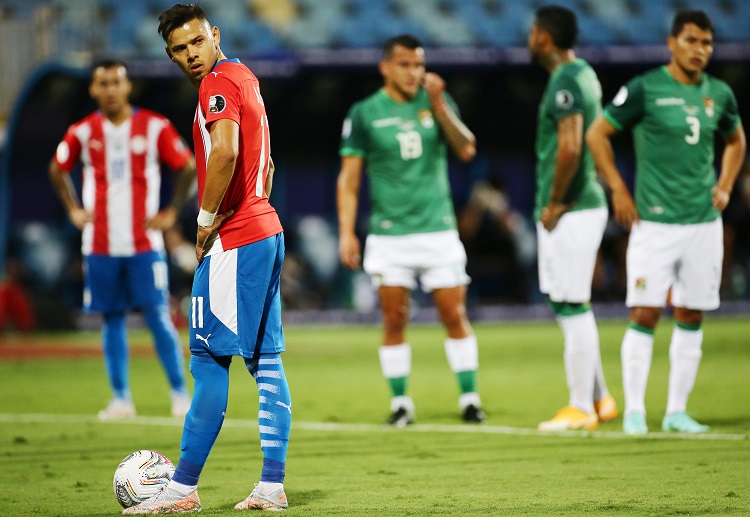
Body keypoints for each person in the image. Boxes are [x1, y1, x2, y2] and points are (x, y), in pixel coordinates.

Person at [124, 4, 291, 513]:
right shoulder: (245, 76)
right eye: (180, 49)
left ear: (214, 35)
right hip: (265, 228)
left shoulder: (216, 84)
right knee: (265, 362)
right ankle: (270, 485)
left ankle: (180, 490)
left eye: (197, 42)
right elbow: (268, 160)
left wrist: (204, 223)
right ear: (170, 54)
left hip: (235, 238)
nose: (191, 55)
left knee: (208, 360)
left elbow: (225, 152)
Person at [586, 10, 746, 435]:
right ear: (671, 43)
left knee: (692, 312)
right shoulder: (645, 88)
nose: (700, 50)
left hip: (703, 223)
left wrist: (726, 185)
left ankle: (676, 411)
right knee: (644, 311)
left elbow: (736, 140)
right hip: (654, 224)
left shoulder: (720, 94)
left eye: (707, 43)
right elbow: (597, 134)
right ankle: (636, 410)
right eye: (691, 40)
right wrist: (618, 189)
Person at [337, 34, 485, 426]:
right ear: (385, 67)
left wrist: (438, 102)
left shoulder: (435, 102)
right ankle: (401, 403)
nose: (413, 72)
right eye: (405, 64)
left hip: (438, 230)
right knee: (394, 318)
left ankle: (470, 398)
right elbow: (349, 180)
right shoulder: (365, 112)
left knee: (454, 314)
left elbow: (467, 148)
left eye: (419, 64)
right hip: (389, 235)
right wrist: (347, 231)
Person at [48, 59, 195, 420]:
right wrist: (72, 208)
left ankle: (179, 394)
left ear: (128, 86)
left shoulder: (154, 126)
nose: (110, 89)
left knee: (158, 315)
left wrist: (172, 211)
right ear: (93, 89)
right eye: (103, 83)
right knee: (111, 318)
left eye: (116, 81)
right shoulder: (83, 132)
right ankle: (121, 399)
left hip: (144, 244)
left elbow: (188, 165)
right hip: (99, 245)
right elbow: (57, 166)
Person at [527, 6, 618, 432]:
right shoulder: (584, 73)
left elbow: (570, 147)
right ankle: (600, 398)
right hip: (583, 205)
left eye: (532, 32)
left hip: (573, 207)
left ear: (544, 37)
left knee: (571, 302)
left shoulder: (565, 79)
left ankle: (580, 406)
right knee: (568, 300)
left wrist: (556, 202)